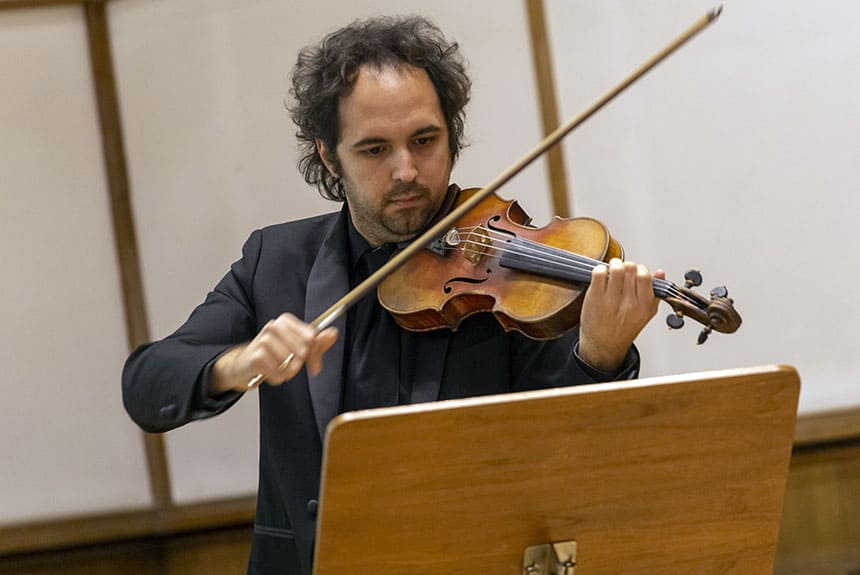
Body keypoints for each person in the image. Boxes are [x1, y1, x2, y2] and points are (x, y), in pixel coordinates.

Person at [122, 15, 662, 575]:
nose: (406, 171)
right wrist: (236, 363)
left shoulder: (510, 276)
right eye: (375, 149)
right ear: (330, 157)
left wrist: (599, 356)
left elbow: (568, 453)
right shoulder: (276, 264)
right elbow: (146, 384)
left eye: (424, 140)